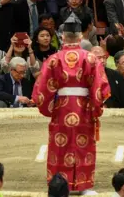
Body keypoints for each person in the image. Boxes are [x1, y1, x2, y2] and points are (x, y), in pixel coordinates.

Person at [32, 15, 111, 194]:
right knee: (83, 145)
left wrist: (49, 108)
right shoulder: (91, 58)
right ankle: (85, 185)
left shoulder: (53, 59)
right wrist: (95, 107)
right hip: (83, 108)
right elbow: (100, 87)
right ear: (81, 37)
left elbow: (42, 89)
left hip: (62, 108)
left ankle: (59, 186)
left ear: (62, 36)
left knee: (60, 146)